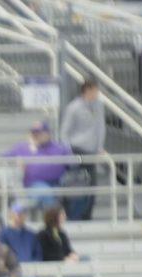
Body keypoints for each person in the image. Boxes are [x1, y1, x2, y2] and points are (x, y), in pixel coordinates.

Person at [3, 121, 74, 211]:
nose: (36, 135)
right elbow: (2, 157)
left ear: (47, 133)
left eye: (39, 132)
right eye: (34, 133)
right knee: (45, 192)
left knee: (77, 189)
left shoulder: (59, 147)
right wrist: (15, 162)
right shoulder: (23, 147)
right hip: (33, 185)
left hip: (58, 182)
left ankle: (74, 219)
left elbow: (73, 163)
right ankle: (52, 221)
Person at [59, 80, 105, 220]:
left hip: (91, 151)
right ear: (87, 91)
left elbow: (100, 127)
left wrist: (99, 147)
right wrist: (68, 152)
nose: (97, 93)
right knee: (76, 183)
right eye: (95, 90)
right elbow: (65, 132)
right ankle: (73, 214)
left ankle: (87, 214)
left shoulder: (98, 105)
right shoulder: (74, 107)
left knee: (92, 184)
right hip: (77, 149)